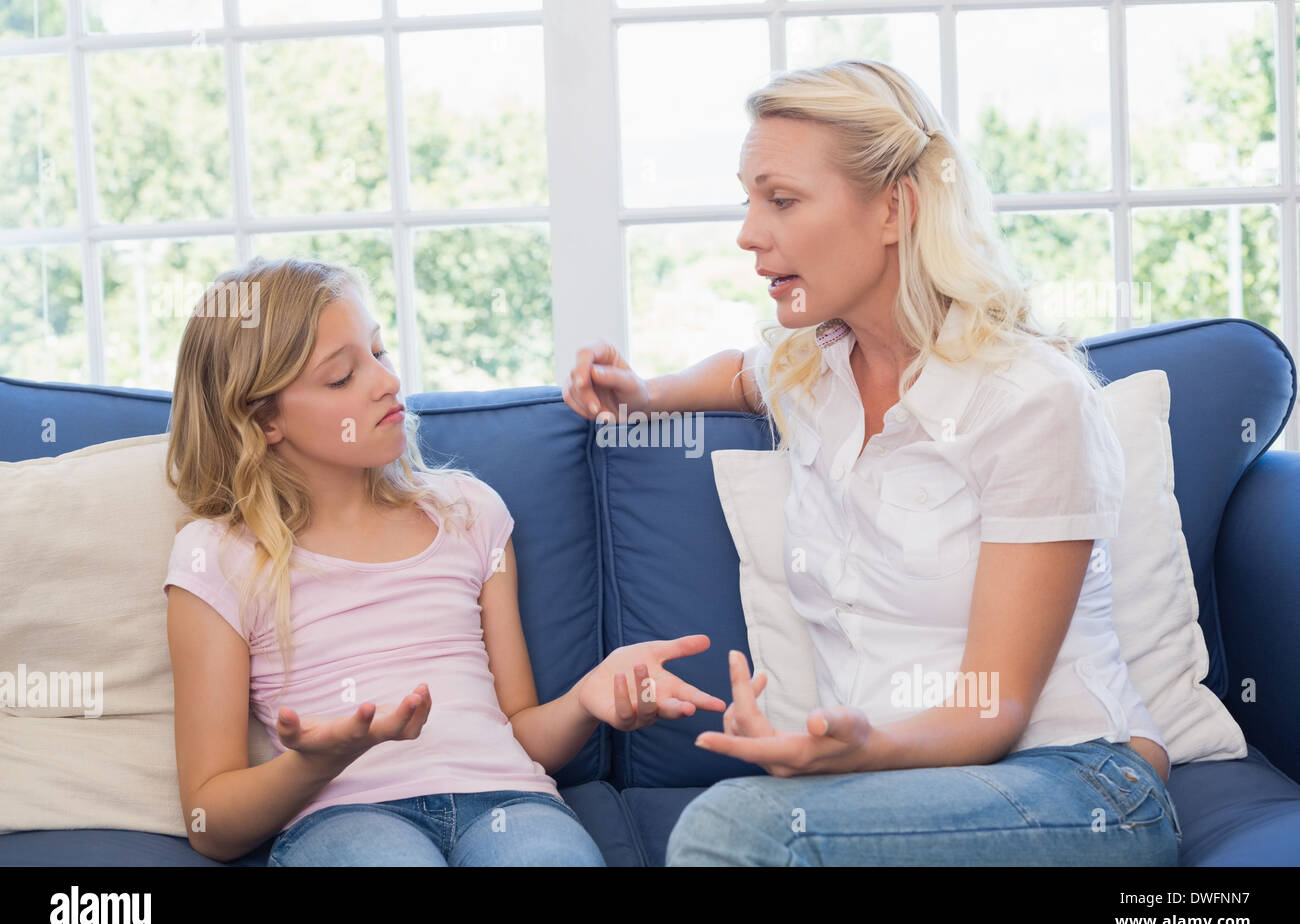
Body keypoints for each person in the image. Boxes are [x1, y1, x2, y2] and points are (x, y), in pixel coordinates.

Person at [562, 59, 1181, 866]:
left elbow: (990, 710)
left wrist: (857, 749)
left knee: (735, 828)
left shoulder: (1030, 398)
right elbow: (742, 373)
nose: (750, 233)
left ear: (894, 207)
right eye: (748, 201)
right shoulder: (813, 367)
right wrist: (644, 393)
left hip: (1074, 782)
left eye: (780, 200)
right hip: (892, 788)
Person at [163, 256, 726, 866]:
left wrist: (588, 698)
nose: (385, 382)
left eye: (379, 352)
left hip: (511, 802)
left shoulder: (466, 512)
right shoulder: (218, 557)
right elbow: (209, 821)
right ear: (265, 418)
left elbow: (521, 733)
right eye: (341, 377)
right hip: (348, 816)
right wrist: (318, 762)